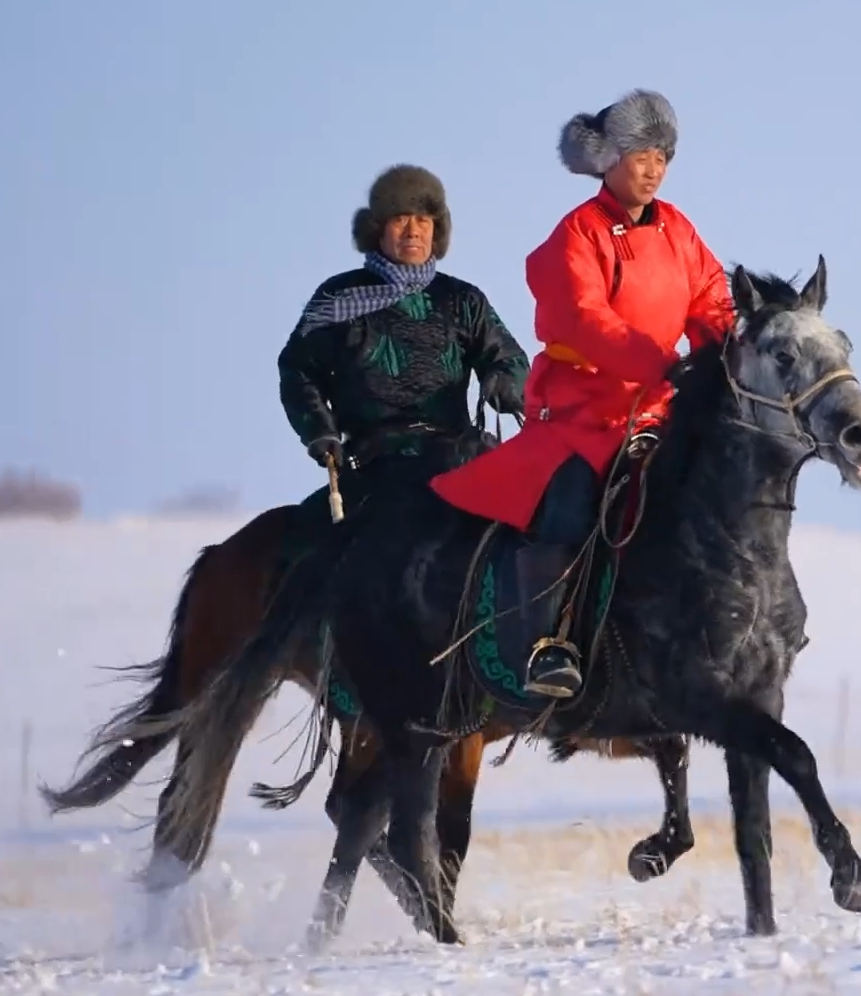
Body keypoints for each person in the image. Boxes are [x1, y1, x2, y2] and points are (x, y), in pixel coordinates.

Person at [430, 90, 735, 699]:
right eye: (641, 155)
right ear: (608, 159)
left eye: (662, 158)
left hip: (658, 407)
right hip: (580, 410)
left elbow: (710, 299)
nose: (652, 170)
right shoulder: (577, 233)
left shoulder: (678, 229)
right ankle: (551, 644)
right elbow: (584, 318)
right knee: (571, 500)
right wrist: (661, 363)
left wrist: (727, 357)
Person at [278, 164, 530, 551]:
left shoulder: (463, 299)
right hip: (374, 462)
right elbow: (298, 370)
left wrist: (504, 383)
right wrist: (319, 431)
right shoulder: (338, 298)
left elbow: (508, 359)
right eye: (400, 218)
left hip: (455, 454)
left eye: (424, 219)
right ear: (377, 228)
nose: (413, 230)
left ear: (437, 230)